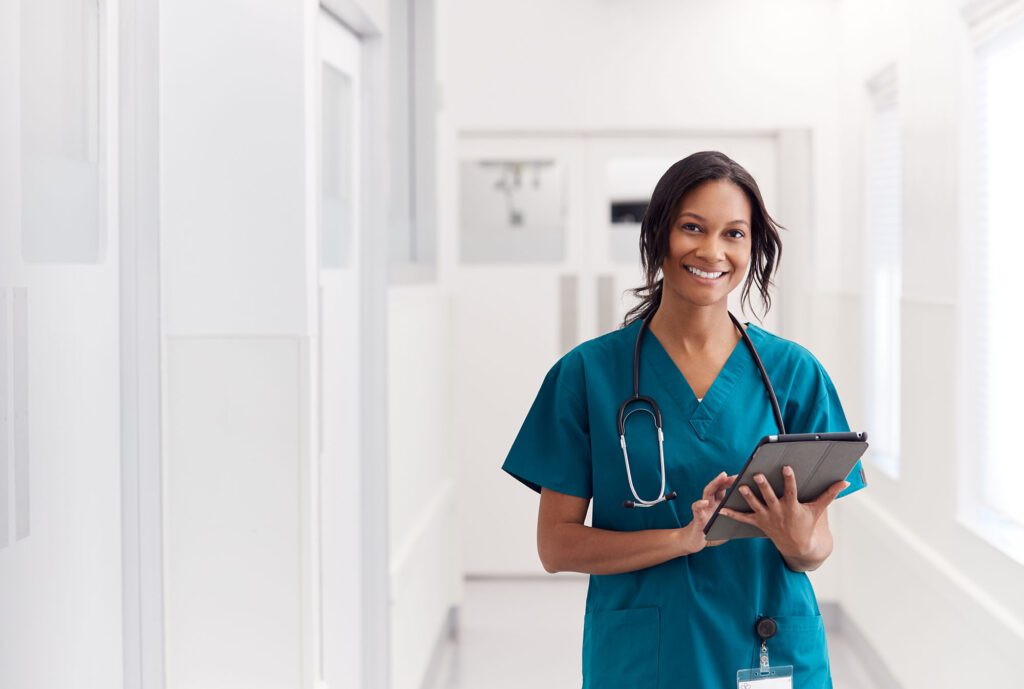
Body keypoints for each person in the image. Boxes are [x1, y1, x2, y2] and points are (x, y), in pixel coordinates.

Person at [500, 150, 867, 689]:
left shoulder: (792, 374)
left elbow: (815, 548)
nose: (712, 251)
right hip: (645, 658)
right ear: (658, 236)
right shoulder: (586, 375)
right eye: (692, 227)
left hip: (766, 649)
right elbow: (556, 546)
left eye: (734, 234)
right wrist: (683, 538)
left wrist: (796, 539)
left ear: (752, 246)